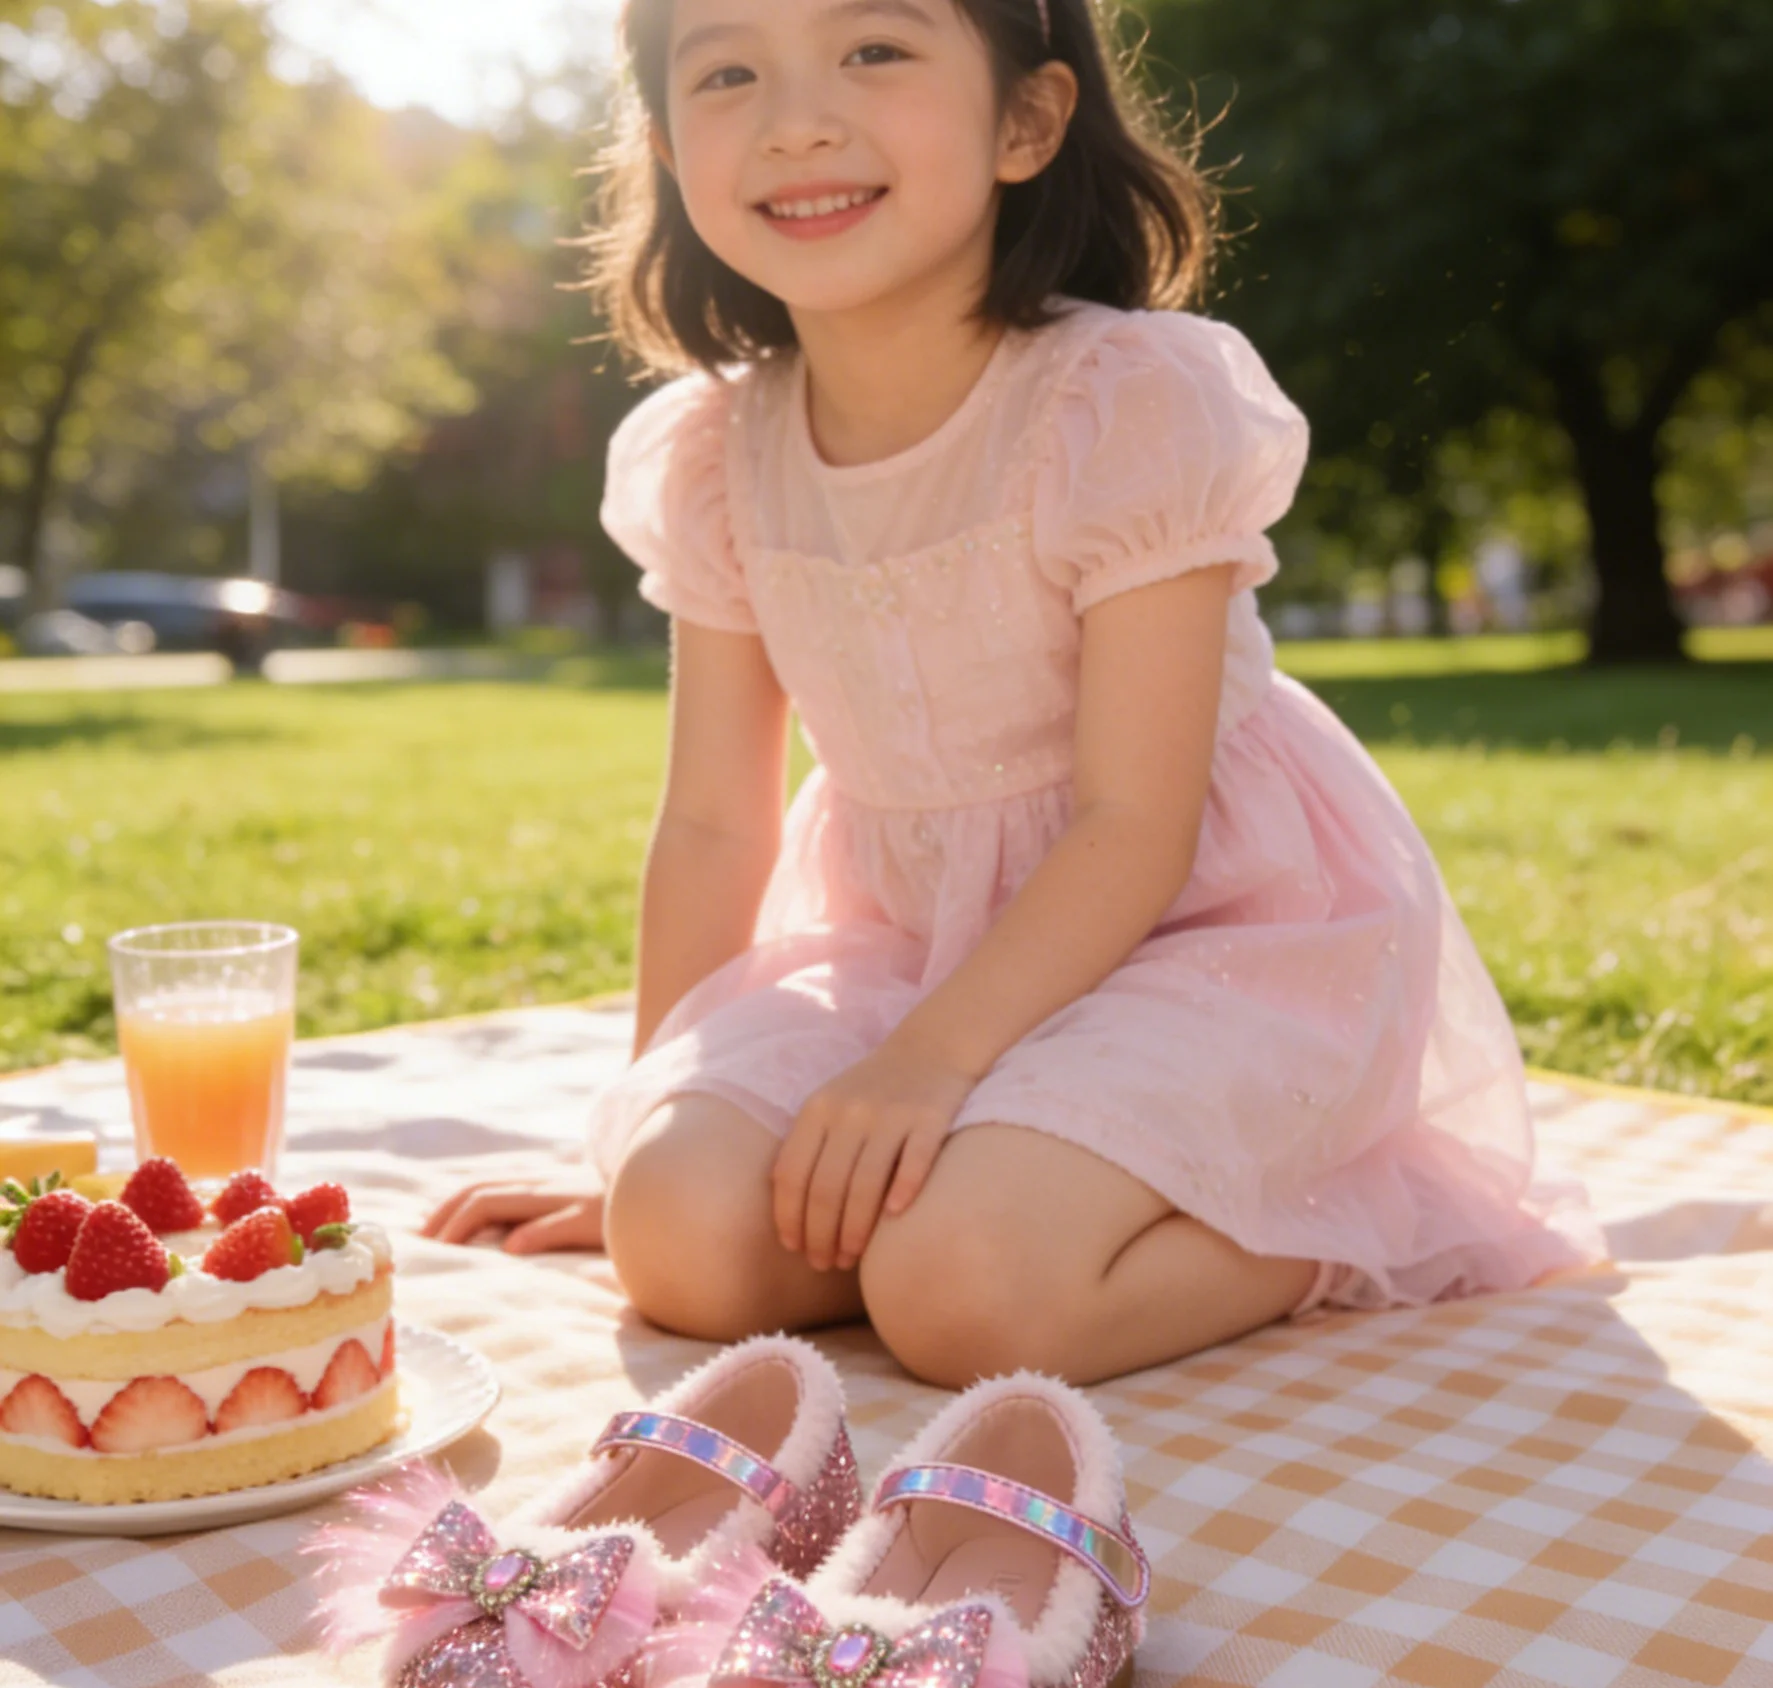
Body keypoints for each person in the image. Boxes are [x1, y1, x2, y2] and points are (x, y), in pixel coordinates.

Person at [424, 0, 1598, 1386]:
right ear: (671, 149)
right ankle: (982, 1177)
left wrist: (926, 1068)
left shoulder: (1125, 402)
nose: (798, 118)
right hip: (912, 939)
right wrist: (633, 1131)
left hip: (1203, 933)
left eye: (874, 49)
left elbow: (1134, 824)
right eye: (728, 71)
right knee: (679, 1239)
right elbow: (711, 829)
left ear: (1028, 121)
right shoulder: (713, 451)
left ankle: (1338, 1217)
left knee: (965, 1294)